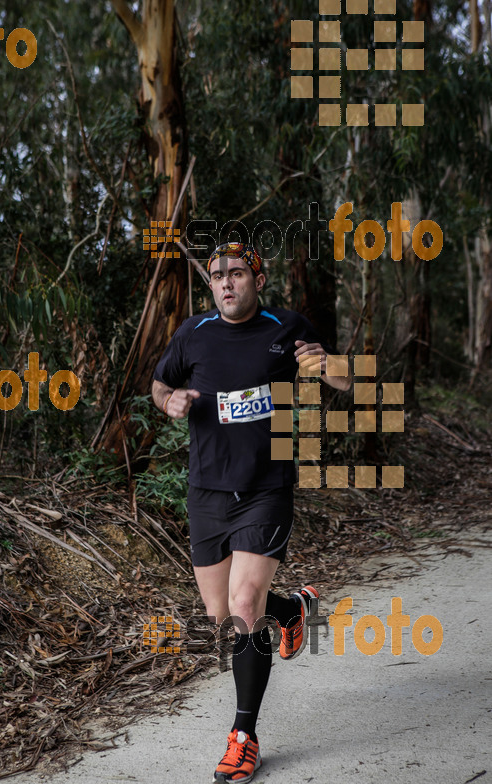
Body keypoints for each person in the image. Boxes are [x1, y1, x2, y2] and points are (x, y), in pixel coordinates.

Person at [151, 242, 351, 783]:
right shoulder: (192, 334)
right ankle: (289, 611)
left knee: (243, 605)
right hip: (207, 491)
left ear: (256, 279)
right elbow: (159, 382)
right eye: (217, 276)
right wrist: (167, 401)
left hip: (267, 486)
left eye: (236, 273)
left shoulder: (285, 327)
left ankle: (243, 736)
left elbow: (346, 380)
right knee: (224, 618)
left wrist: (325, 366)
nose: (226, 283)